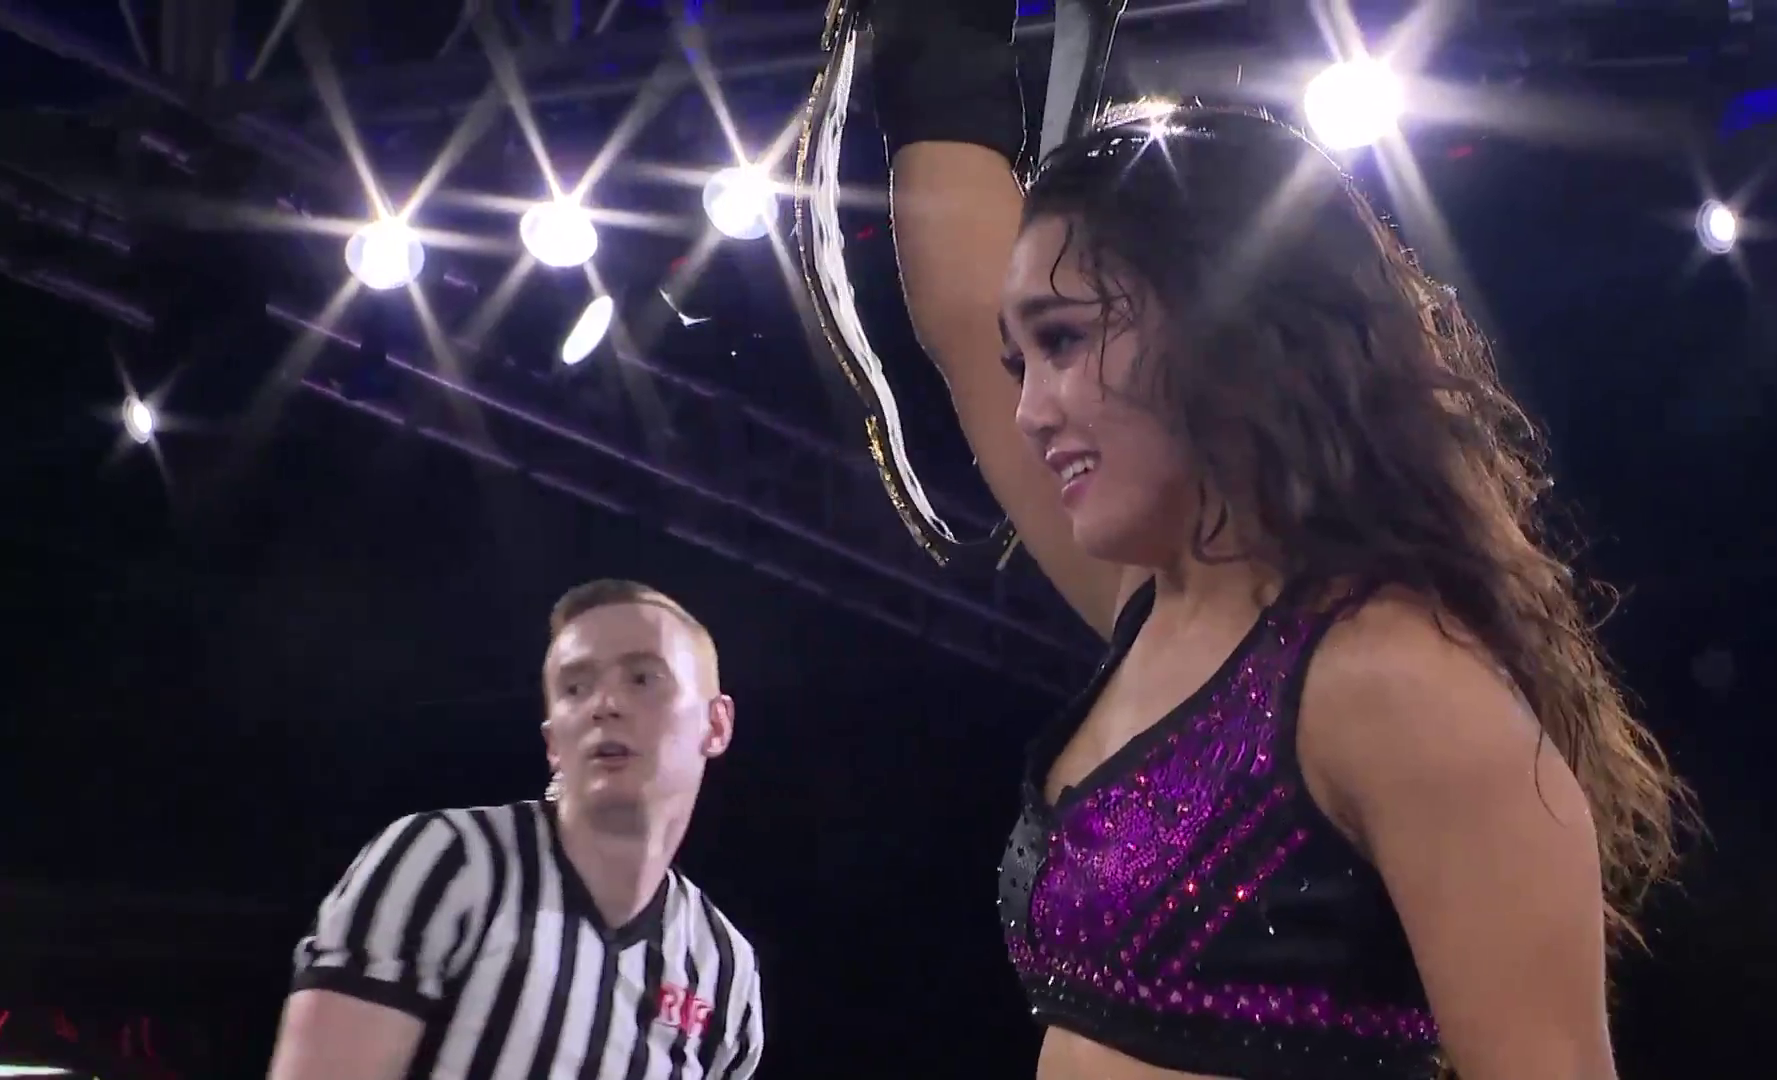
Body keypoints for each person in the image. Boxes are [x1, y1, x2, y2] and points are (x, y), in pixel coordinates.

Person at [861, 3, 1692, 1078]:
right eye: (1023, 361)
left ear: (1224, 321)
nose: (1029, 410)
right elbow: (959, 305)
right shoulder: (1163, 603)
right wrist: (938, 39)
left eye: (1064, 341)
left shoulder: (1398, 683)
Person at [266, 579, 765, 1080]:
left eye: (642, 678)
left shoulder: (725, 967)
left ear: (716, 724)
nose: (604, 703)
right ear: (553, 743)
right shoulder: (449, 863)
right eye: (575, 688)